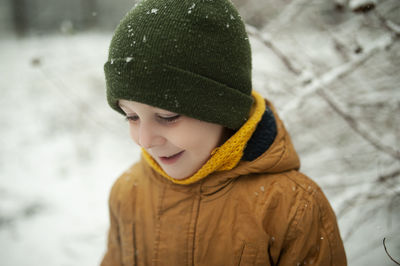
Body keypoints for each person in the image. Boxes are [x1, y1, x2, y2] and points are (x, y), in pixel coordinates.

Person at [101, 0, 347, 265]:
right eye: (132, 117)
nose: (145, 140)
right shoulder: (128, 193)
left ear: (222, 110)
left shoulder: (292, 208)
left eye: (167, 117)